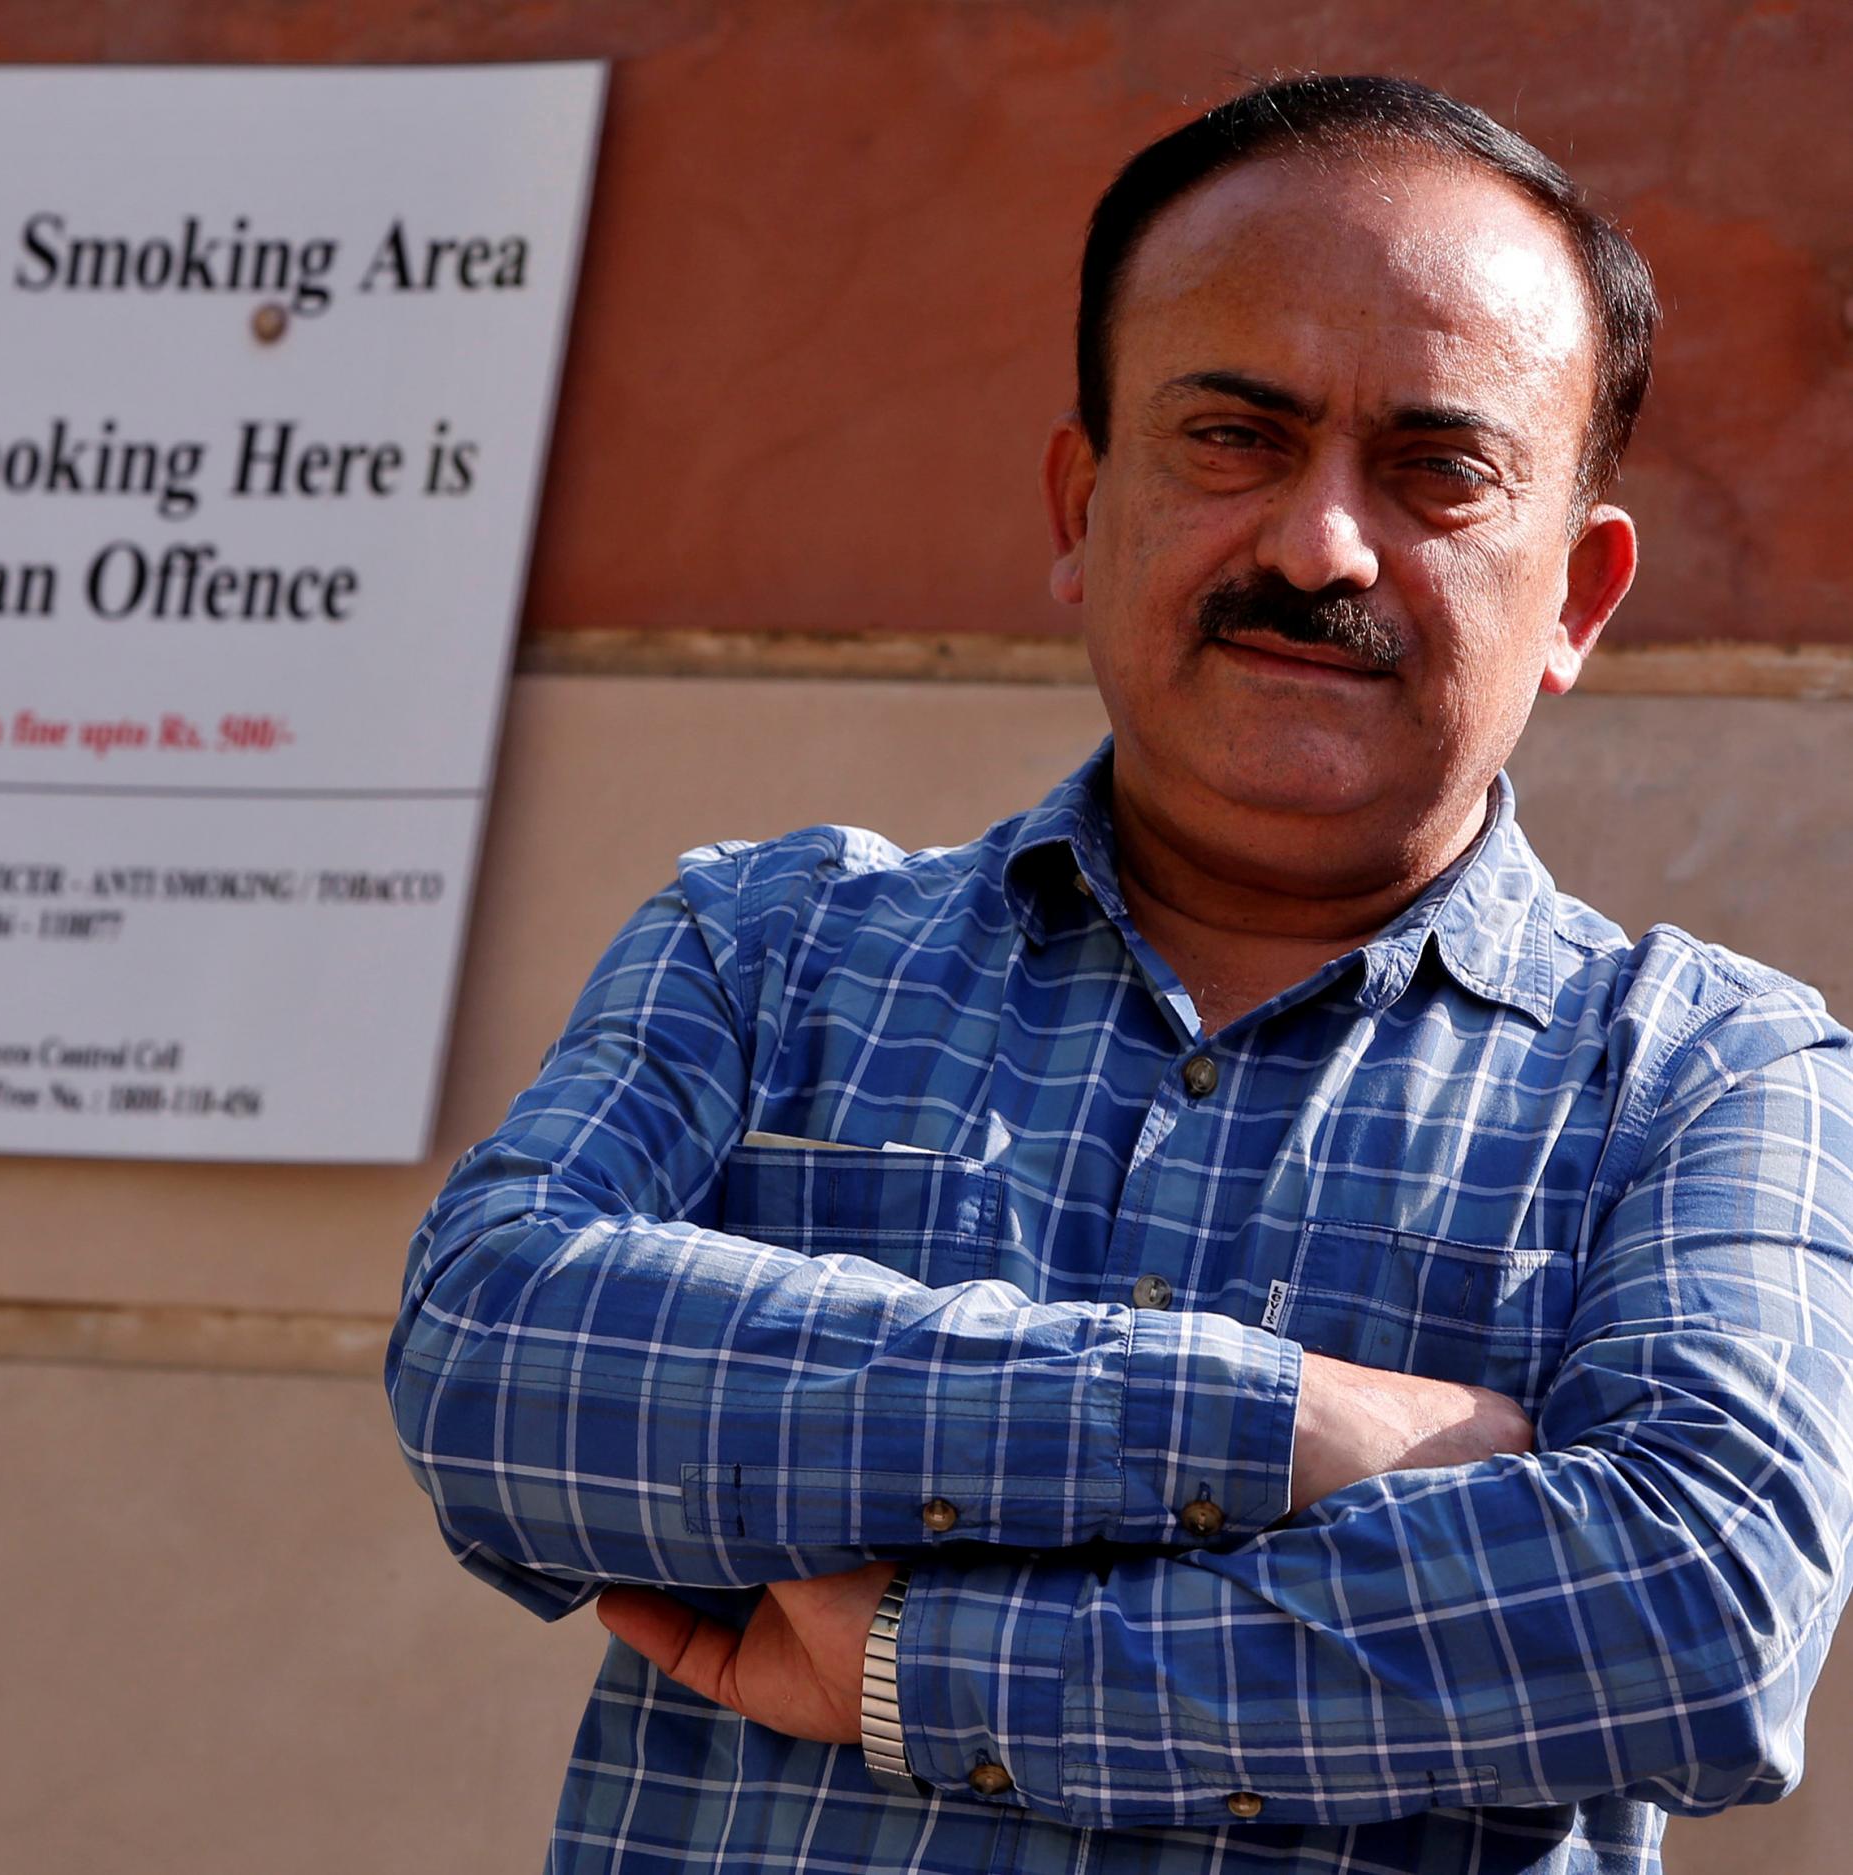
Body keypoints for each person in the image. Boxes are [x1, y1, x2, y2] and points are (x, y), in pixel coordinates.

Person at [386, 73, 1853, 1875]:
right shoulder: (770, 948)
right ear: (1083, 502)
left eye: (1437, 470)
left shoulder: (1709, 1076)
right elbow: (493, 1360)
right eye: (1234, 437)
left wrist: (943, 1673)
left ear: (1578, 596)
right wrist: (1285, 1421)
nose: (1320, 547)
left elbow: (1699, 1613)